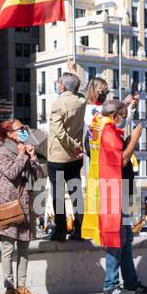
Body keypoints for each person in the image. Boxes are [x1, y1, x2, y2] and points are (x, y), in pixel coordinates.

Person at [88, 99, 147, 294]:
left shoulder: (99, 126)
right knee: (115, 237)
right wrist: (134, 138)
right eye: (123, 117)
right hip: (112, 190)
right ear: (113, 115)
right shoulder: (108, 131)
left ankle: (131, 282)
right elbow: (121, 160)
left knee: (125, 238)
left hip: (116, 189)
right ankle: (110, 284)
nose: (125, 120)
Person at [0, 118, 43, 294]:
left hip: (25, 203)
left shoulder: (25, 150)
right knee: (7, 247)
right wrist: (22, 156)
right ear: (9, 133)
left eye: (24, 128)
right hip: (8, 204)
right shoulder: (2, 152)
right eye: (20, 129)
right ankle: (9, 289)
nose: (24, 131)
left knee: (24, 247)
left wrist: (33, 158)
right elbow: (12, 173)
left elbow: (39, 176)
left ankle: (22, 286)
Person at [47, 71, 86, 240]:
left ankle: (60, 230)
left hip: (58, 156)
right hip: (75, 158)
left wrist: (73, 145)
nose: (57, 85)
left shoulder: (58, 104)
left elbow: (59, 132)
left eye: (59, 83)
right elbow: (79, 90)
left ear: (62, 86)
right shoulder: (81, 101)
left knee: (58, 193)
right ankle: (78, 229)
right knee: (76, 193)